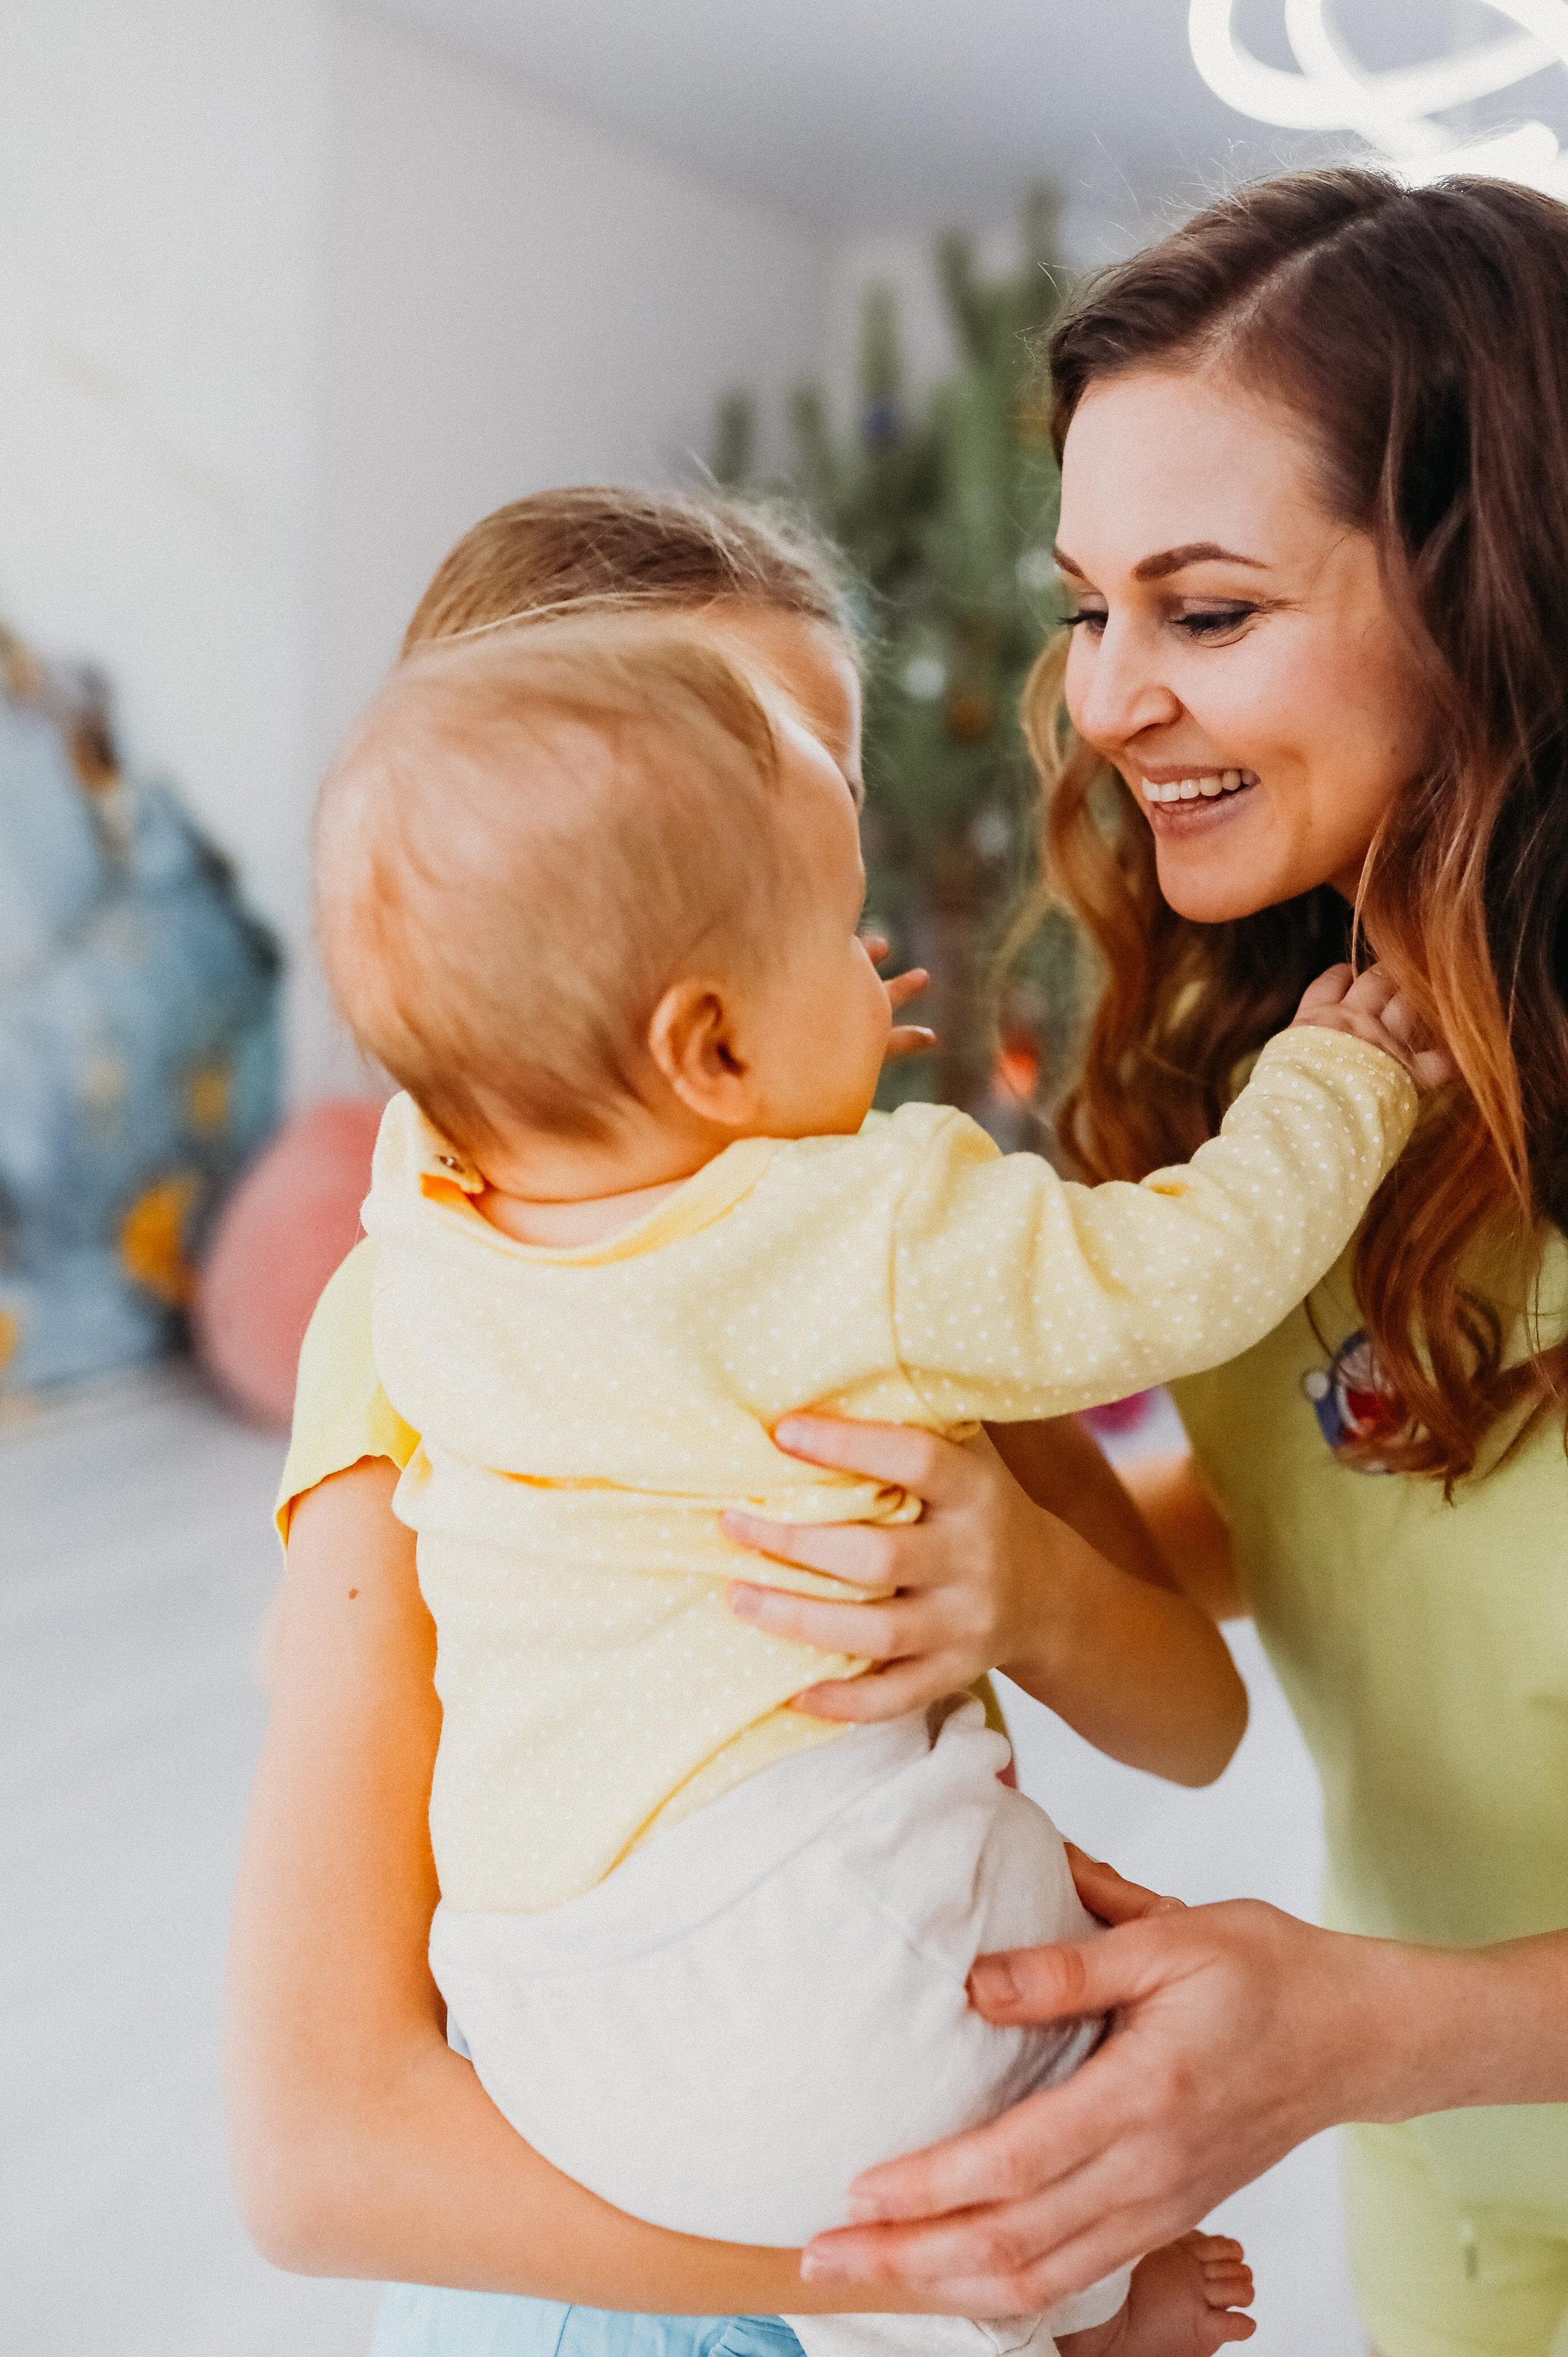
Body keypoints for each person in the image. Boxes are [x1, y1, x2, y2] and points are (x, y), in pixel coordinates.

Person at [306, 555, 1429, 2354]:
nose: (882, 965)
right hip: (768, 2045)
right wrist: (1341, 1083)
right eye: (827, 921)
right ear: (708, 1036)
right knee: (1011, 2012)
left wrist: (1032, 1585)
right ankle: (1073, 2294)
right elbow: (1185, 1273)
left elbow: (1189, 1715)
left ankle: (1047, 2308)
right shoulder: (874, 1240)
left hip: (552, 2036)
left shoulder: (426, 1243)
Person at [788, 170, 1568, 2357]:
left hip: (1412, 2063)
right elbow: (1301, 1515)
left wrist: (1359, 2030)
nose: (1113, 701)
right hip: (1470, 2183)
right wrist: (972, 1485)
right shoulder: (1280, 1104)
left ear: (1497, 606)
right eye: (1086, 611)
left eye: (1206, 612)